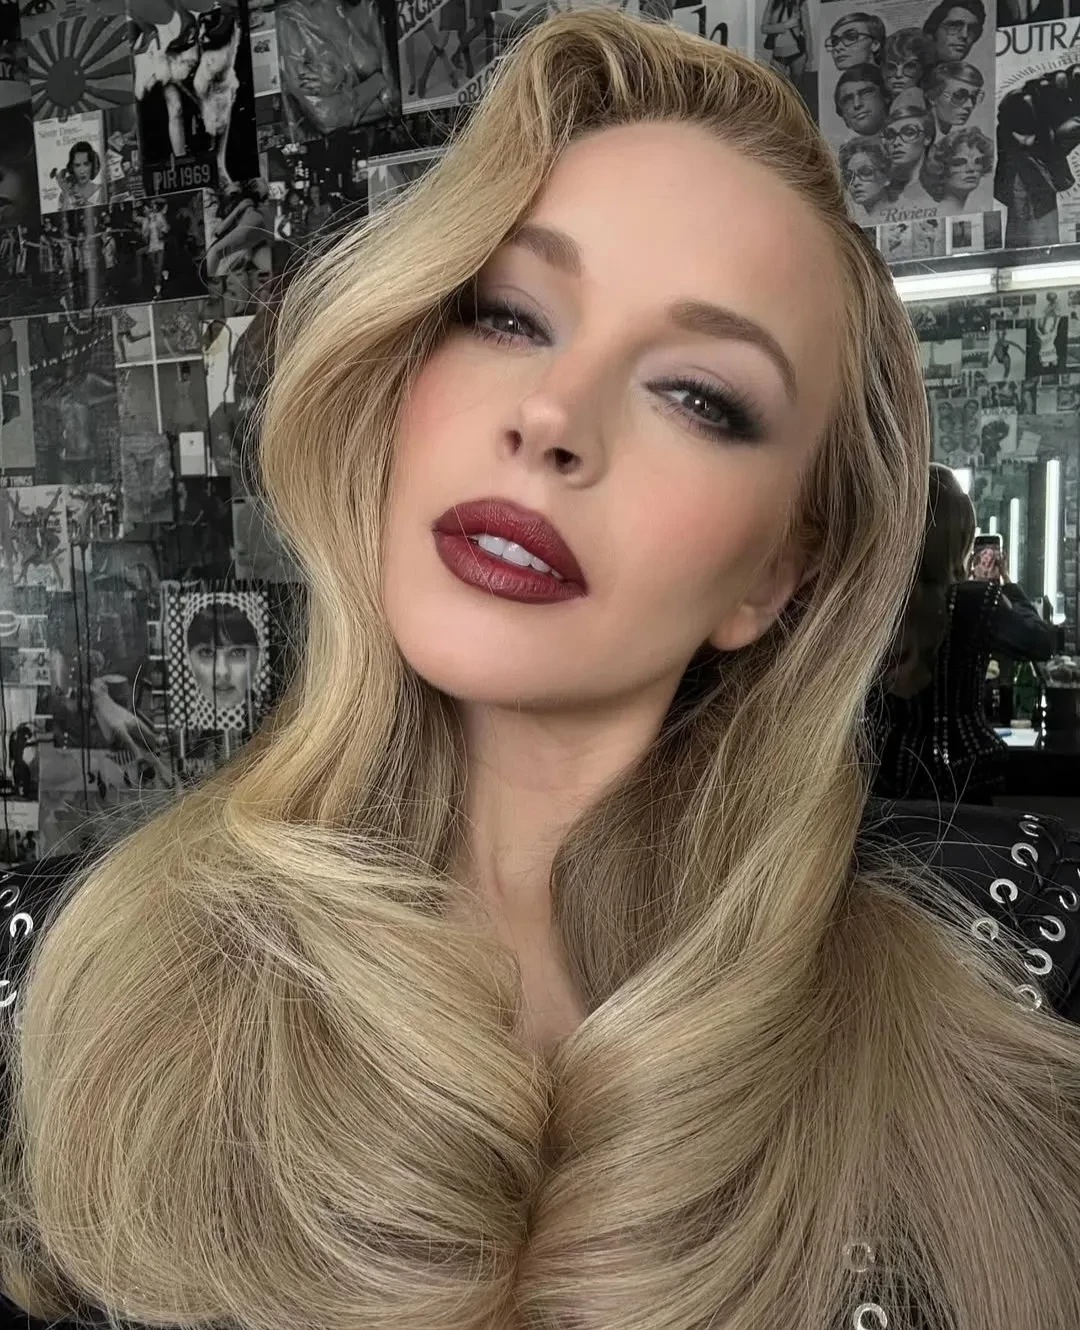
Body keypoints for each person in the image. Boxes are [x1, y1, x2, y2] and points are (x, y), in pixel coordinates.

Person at [0, 11, 1078, 1330]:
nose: (554, 416)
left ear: (775, 571)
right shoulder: (61, 979)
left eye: (699, 395)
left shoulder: (1000, 1024)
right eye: (508, 315)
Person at [871, 464, 1057, 805]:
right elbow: (1040, 642)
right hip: (964, 778)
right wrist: (1007, 584)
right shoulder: (976, 601)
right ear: (960, 538)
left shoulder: (872, 603)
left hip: (880, 778)